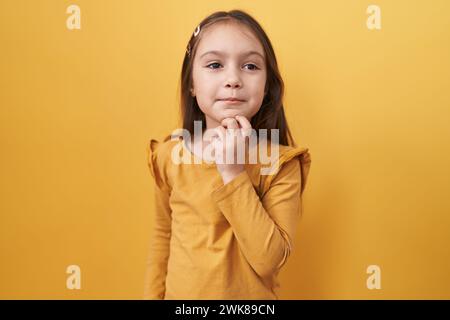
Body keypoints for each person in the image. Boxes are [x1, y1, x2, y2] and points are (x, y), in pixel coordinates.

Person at [144, 9, 312, 300]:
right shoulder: (170, 155)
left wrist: (233, 172)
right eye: (214, 64)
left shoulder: (282, 164)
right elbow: (163, 236)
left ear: (267, 87)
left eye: (250, 66)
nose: (233, 78)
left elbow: (269, 260)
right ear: (192, 84)